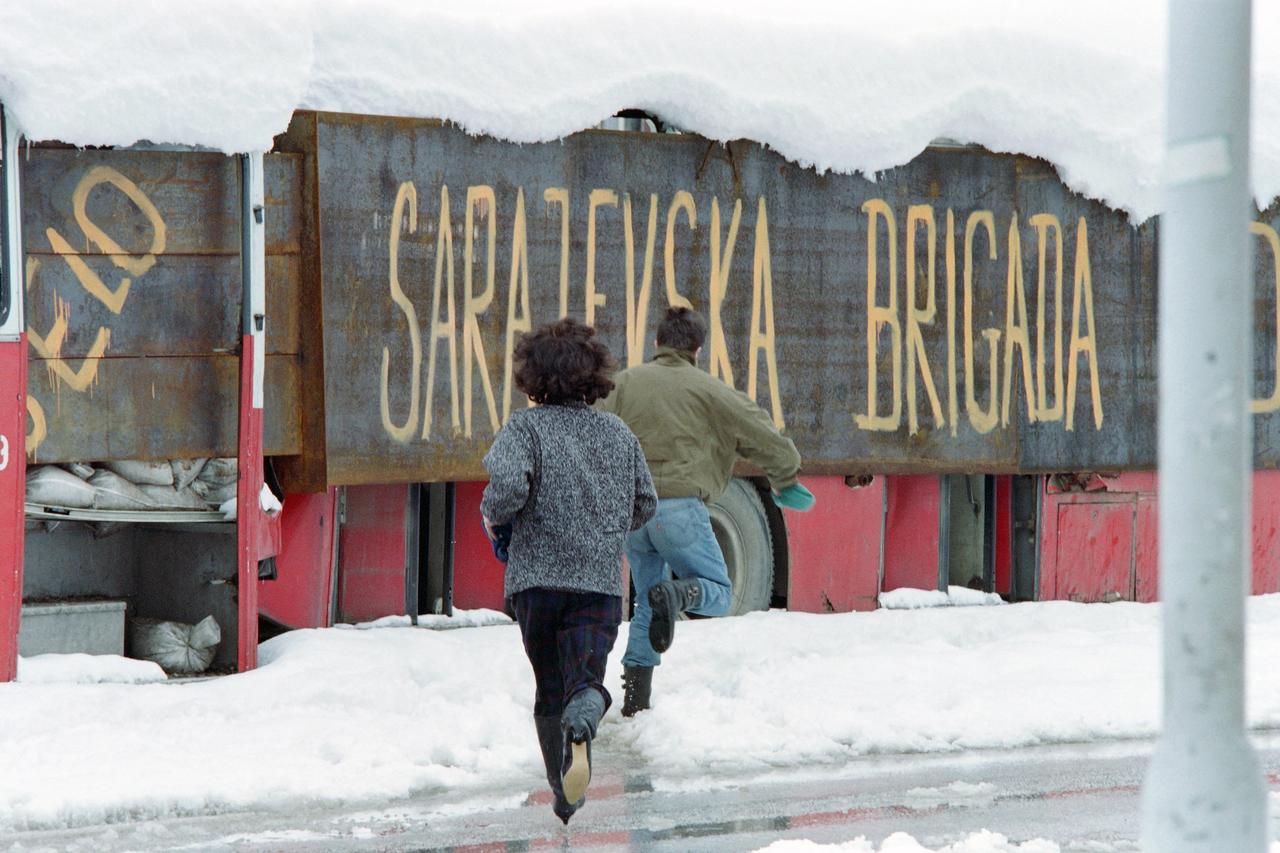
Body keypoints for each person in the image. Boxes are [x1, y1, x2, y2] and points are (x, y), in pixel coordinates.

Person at [596, 306, 815, 717]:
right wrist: (785, 478)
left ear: (657, 343)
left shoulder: (622, 385)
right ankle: (679, 593)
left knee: (646, 602)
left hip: (632, 513)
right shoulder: (710, 390)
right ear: (697, 349)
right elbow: (762, 434)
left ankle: (635, 704)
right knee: (719, 592)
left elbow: (590, 429)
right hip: (679, 510)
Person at [480, 317, 657, 824]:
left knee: (549, 689)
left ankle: (565, 793)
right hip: (597, 584)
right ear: (593, 375)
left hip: (536, 584)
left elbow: (506, 492)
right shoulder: (618, 434)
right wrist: (602, 526)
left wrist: (497, 514)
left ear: (533, 378)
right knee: (584, 679)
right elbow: (645, 503)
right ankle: (590, 706)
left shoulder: (524, 428)